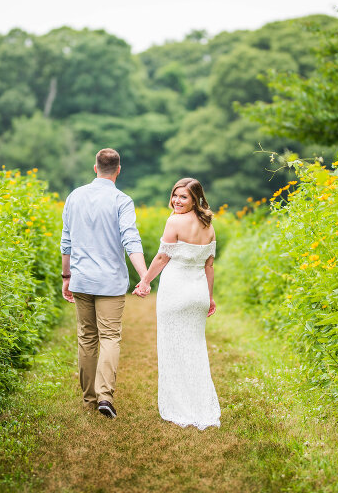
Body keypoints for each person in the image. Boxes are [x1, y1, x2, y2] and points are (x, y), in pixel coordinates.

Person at [60, 148, 148, 419]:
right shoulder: (122, 200)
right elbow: (130, 240)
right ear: (118, 170)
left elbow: (66, 240)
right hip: (110, 281)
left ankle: (89, 400)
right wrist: (144, 277)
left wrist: (66, 277)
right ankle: (105, 396)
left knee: (87, 338)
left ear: (95, 168)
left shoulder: (74, 196)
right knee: (110, 336)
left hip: (82, 279)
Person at [133, 178, 221, 430]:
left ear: (195, 198)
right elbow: (209, 266)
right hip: (197, 294)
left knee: (172, 349)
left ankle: (179, 407)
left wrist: (145, 282)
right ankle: (200, 405)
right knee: (195, 350)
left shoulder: (174, 221)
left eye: (183, 197)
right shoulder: (209, 226)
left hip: (175, 292)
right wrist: (209, 297)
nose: (177, 201)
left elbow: (162, 257)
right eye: (175, 196)